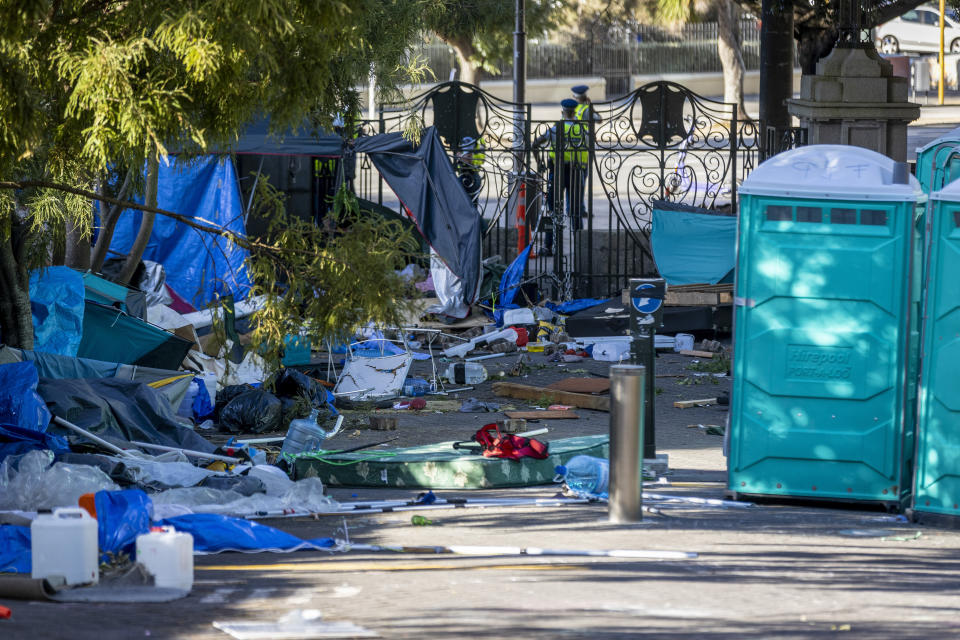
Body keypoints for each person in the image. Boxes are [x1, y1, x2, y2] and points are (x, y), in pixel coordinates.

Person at [532, 98, 588, 257]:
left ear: (562, 111)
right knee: (576, 210)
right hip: (577, 172)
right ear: (575, 111)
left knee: (553, 210)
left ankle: (548, 246)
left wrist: (540, 163)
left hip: (557, 172)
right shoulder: (583, 129)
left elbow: (535, 144)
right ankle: (580, 249)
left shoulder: (556, 129)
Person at [455, 135, 486, 209]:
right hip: (462, 173)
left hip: (473, 173)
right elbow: (456, 155)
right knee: (461, 201)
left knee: (473, 201)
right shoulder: (457, 134)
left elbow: (482, 158)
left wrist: (471, 159)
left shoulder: (480, 139)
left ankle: (473, 218)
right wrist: (460, 158)